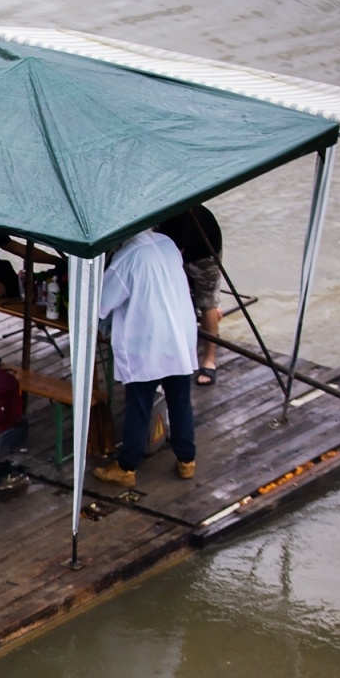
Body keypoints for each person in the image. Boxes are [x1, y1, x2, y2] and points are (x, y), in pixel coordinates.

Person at [91, 228, 198, 487]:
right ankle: (187, 461)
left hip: (147, 341)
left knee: (139, 405)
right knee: (180, 400)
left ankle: (127, 467)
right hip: (179, 335)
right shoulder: (167, 242)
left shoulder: (127, 258)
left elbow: (102, 303)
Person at [156, 204, 223, 385]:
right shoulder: (156, 213)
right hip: (177, 249)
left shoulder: (184, 214)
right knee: (177, 297)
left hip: (204, 252)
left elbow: (175, 253)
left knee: (207, 302)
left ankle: (209, 360)